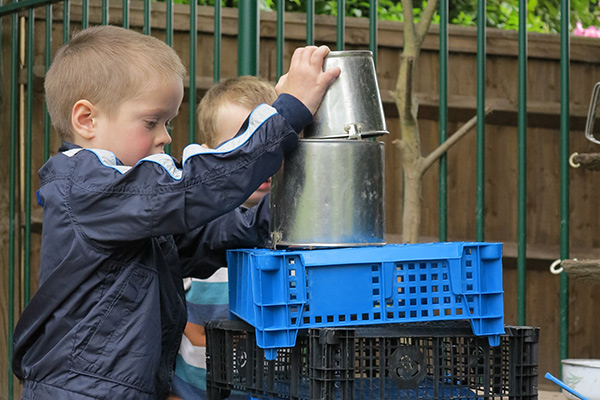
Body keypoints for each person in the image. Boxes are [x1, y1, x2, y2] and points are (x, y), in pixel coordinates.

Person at [11, 25, 340, 400]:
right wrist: (287, 112)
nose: (166, 136)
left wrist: (285, 212)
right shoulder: (89, 186)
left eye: (167, 122)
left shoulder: (125, 208)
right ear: (87, 120)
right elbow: (194, 187)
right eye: (152, 122)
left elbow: (207, 236)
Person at [169, 76, 277, 400]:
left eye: (270, 149)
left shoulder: (293, 243)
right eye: (242, 150)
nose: (261, 163)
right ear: (207, 157)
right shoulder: (189, 236)